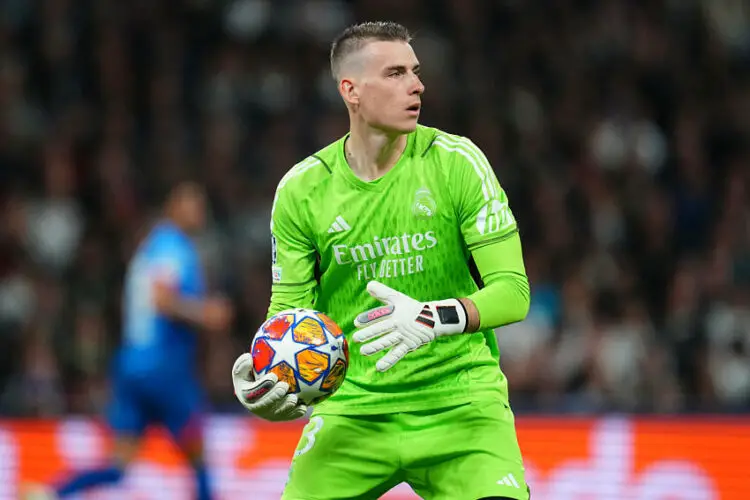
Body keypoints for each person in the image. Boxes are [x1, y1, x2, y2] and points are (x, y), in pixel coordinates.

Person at [232, 21, 531, 500]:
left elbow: (514, 293)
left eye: (414, 72)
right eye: (395, 73)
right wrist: (270, 380)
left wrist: (435, 318)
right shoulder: (302, 190)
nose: (416, 85)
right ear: (350, 90)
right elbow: (289, 313)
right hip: (352, 411)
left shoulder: (457, 163)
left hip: (460, 406)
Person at [24, 181, 232, 500]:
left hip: (132, 363)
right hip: (163, 367)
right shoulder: (172, 246)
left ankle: (51, 492)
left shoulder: (148, 247)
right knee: (199, 456)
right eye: (194, 203)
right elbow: (162, 299)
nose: (201, 211)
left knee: (119, 463)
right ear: (173, 206)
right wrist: (207, 314)